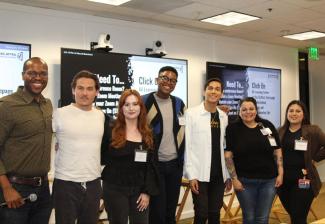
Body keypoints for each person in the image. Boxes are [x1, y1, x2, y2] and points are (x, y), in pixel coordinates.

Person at [0, 57, 52, 224]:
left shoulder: (47, 104)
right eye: (32, 73)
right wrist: (7, 188)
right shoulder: (6, 105)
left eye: (43, 74)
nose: (38, 78)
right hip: (15, 189)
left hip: (43, 189)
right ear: (23, 75)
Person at [52, 70, 104, 224]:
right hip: (65, 184)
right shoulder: (58, 114)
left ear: (97, 92)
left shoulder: (100, 115)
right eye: (80, 88)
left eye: (90, 89)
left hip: (93, 184)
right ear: (73, 90)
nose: (84, 93)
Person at [101, 89, 159, 224]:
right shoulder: (111, 129)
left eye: (135, 104)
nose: (131, 108)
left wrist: (147, 192)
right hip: (114, 189)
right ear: (121, 108)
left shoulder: (148, 133)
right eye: (126, 105)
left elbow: (151, 165)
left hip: (139, 191)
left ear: (141, 107)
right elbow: (99, 154)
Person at [224, 97, 283, 224]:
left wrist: (281, 172)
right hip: (244, 182)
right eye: (244, 109)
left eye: (251, 109)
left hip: (269, 181)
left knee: (262, 218)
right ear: (239, 111)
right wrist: (234, 179)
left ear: (256, 110)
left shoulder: (267, 126)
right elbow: (228, 155)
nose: (248, 112)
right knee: (249, 218)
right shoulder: (232, 129)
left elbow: (277, 150)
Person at [142, 66, 186, 224]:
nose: (169, 82)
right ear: (157, 80)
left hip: (175, 165)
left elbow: (186, 129)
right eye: (165, 78)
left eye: (173, 80)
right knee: (157, 212)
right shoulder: (144, 101)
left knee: (170, 210)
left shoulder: (179, 103)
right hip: (155, 166)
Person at [184, 78, 231, 224]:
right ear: (204, 91)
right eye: (210, 88)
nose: (213, 91)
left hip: (218, 174)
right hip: (199, 174)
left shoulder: (223, 116)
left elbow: (225, 146)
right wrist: (191, 175)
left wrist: (227, 175)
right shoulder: (191, 114)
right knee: (201, 213)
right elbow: (187, 146)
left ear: (221, 94)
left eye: (217, 89)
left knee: (215, 213)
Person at [277, 100, 325, 224]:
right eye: (291, 111)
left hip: (303, 180)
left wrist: (314, 159)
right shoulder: (280, 131)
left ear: (304, 114)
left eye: (298, 111)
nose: (294, 114)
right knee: (294, 215)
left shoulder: (313, 131)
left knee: (298, 217)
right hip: (283, 181)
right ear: (287, 114)